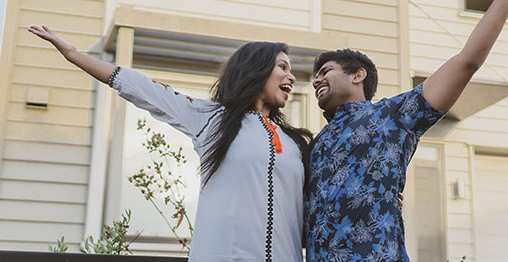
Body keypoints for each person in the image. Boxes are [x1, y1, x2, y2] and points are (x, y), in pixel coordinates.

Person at [305, 0, 508, 261]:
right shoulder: (315, 144)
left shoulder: (392, 117)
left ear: (357, 75)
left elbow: (467, 61)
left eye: (325, 72)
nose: (316, 80)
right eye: (315, 76)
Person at [27, 25, 312, 262]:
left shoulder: (295, 143)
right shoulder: (211, 120)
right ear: (256, 69)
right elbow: (144, 89)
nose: (291, 76)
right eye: (283, 67)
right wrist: (74, 54)